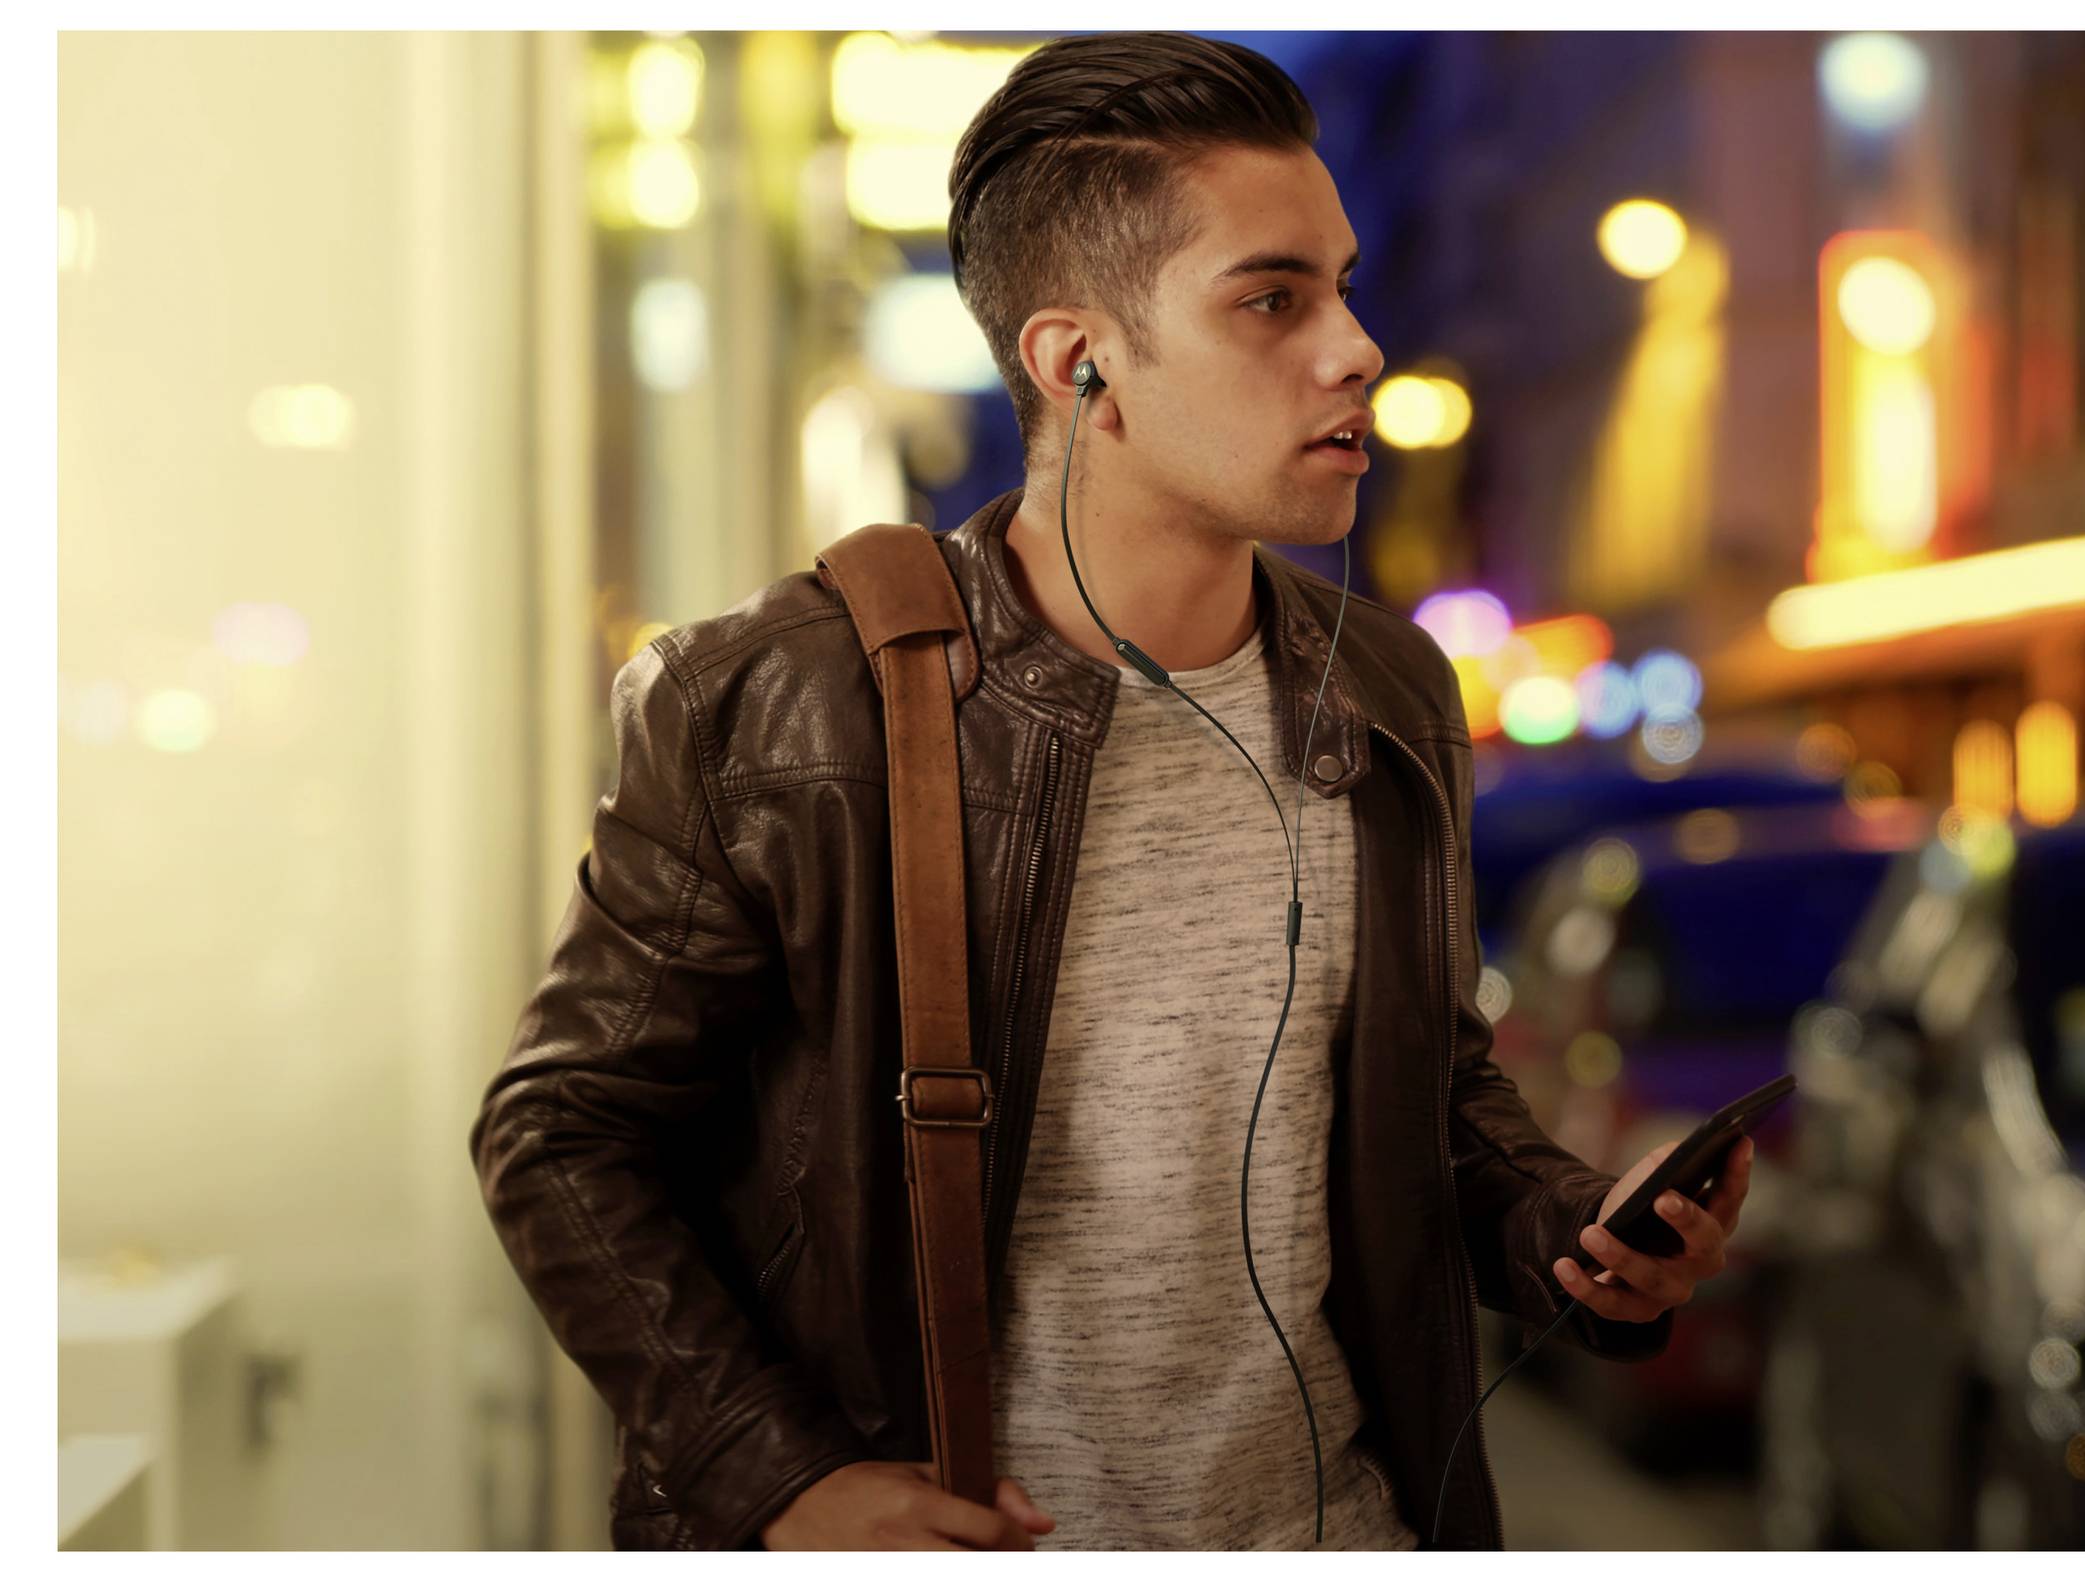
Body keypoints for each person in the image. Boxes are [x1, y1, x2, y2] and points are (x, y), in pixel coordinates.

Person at [467, 30, 1750, 1551]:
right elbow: (564, 1132)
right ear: (1081, 365)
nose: (1354, 349)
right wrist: (781, 1475)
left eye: (1344, 286)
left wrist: (1563, 1229)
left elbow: (1427, 1082)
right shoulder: (782, 701)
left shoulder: (1387, 690)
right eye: (1273, 298)